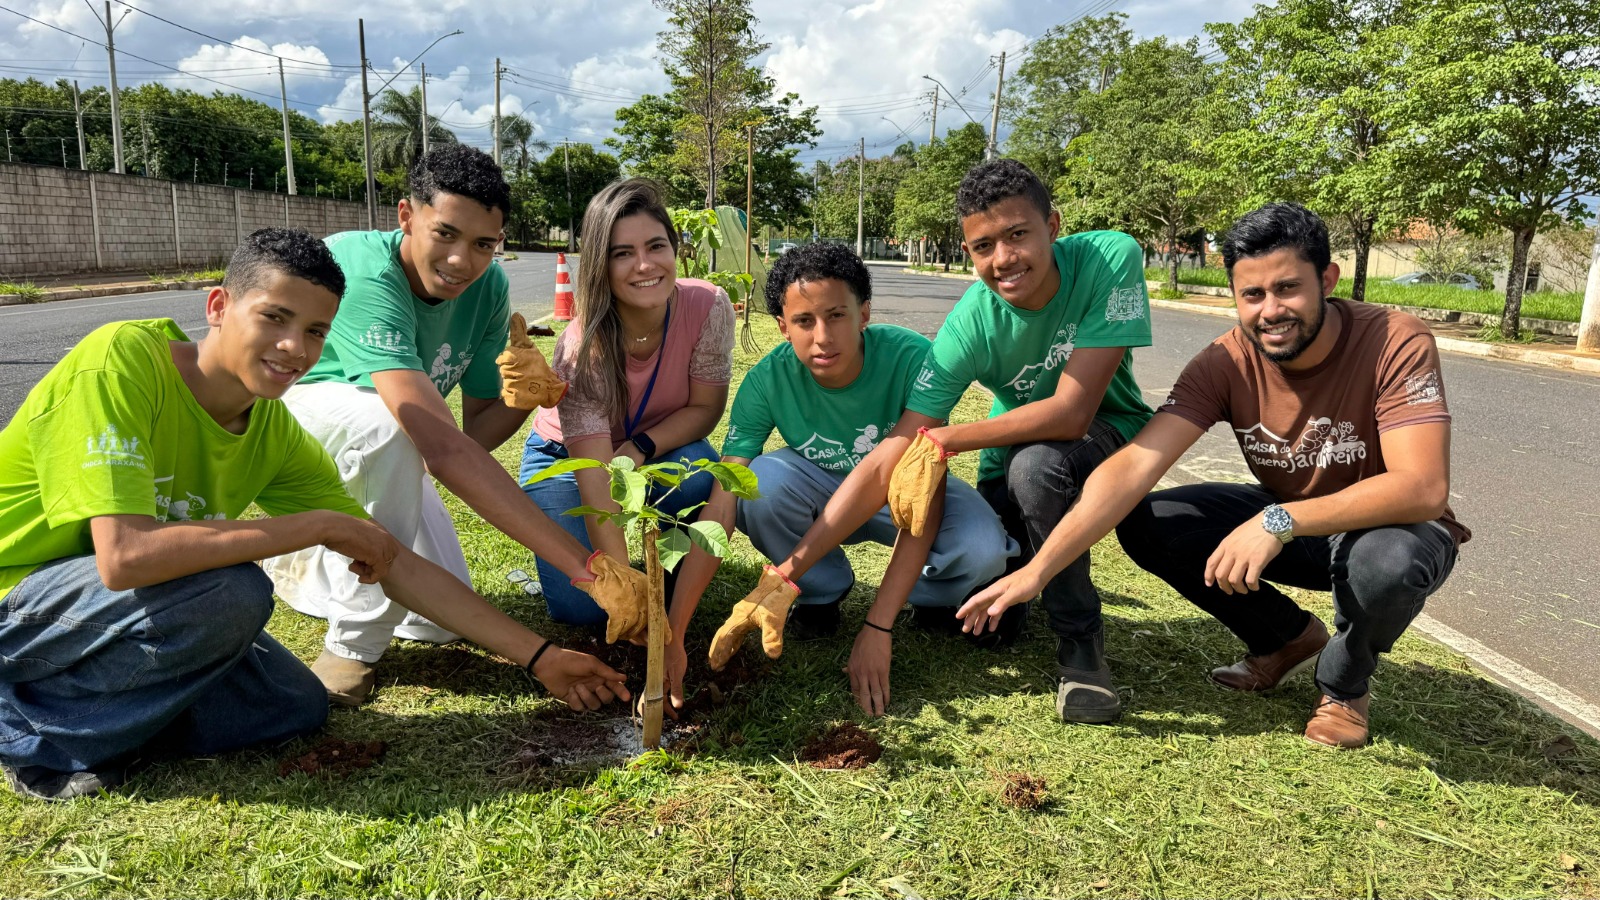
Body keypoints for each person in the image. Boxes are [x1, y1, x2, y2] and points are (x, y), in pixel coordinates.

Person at [0, 229, 629, 802]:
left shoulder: (270, 427)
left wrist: (541, 657)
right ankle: (33, 735)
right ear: (218, 307)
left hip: (114, 611)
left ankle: (110, 715)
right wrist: (315, 526)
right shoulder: (123, 362)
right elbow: (124, 558)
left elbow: (390, 557)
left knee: (295, 705)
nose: (293, 348)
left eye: (315, 331)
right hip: (24, 592)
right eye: (274, 318)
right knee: (232, 591)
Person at [959, 202, 1467, 748]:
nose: (1270, 311)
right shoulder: (1224, 362)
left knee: (1386, 563)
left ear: (1327, 279)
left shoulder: (1394, 339)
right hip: (1297, 525)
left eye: (1288, 289)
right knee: (1151, 519)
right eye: (1252, 295)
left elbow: (1421, 487)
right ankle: (1285, 639)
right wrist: (1040, 569)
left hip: (1394, 529)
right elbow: (1135, 463)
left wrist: (1277, 520)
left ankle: (1344, 686)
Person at [754, 159, 1155, 724]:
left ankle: (1081, 648)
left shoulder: (1109, 256)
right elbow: (893, 450)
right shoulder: (969, 322)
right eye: (983, 245)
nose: (1004, 259)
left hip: (1110, 428)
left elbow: (1072, 412)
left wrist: (943, 439)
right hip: (1009, 453)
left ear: (1053, 226)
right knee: (992, 611)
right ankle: (1012, 590)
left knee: (1037, 469)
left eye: (1018, 234)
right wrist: (784, 574)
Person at [261, 146, 633, 707]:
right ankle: (352, 645)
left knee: (434, 622)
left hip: (396, 437)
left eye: (484, 244)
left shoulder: (486, 291)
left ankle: (308, 553)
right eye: (447, 234)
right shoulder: (364, 273)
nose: (463, 261)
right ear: (407, 215)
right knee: (389, 426)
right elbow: (439, 447)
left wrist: (527, 397)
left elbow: (474, 434)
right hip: (297, 414)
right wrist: (588, 570)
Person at [681, 242, 1017, 717]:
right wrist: (675, 630)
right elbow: (725, 493)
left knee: (983, 553)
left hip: (901, 491)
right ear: (782, 326)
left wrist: (878, 626)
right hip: (817, 487)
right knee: (758, 485)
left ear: (863, 314)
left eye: (836, 315)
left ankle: (925, 599)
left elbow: (927, 496)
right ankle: (818, 593)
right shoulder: (765, 381)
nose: (822, 337)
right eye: (803, 321)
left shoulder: (912, 359)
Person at [518, 178, 735, 631]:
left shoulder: (708, 306)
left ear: (675, 250)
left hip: (658, 447)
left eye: (656, 246)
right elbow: (598, 484)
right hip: (569, 461)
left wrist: (639, 447)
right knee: (586, 607)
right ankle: (638, 583)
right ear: (601, 264)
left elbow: (704, 411)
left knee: (699, 474)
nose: (644, 265)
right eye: (622, 253)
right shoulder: (582, 347)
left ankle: (669, 577)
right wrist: (625, 587)